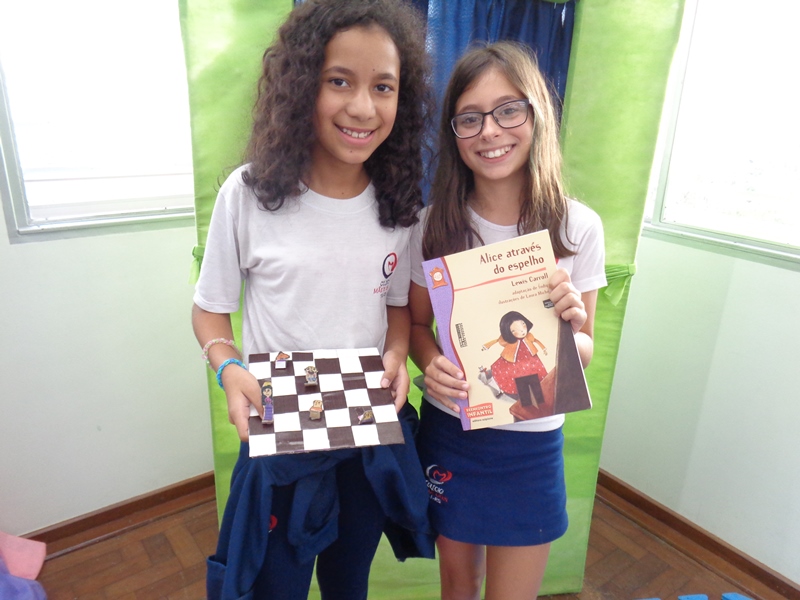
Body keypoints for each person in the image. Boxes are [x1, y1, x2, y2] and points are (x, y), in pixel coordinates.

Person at [191, 1, 434, 598]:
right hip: (283, 429)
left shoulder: (398, 207)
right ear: (302, 86)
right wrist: (228, 369)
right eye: (339, 81)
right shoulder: (249, 195)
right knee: (277, 584)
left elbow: (395, 305)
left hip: (366, 432)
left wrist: (396, 354)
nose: (363, 107)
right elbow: (209, 308)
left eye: (383, 87)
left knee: (349, 580)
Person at [409, 41, 607, 600]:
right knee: (456, 586)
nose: (490, 131)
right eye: (469, 118)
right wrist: (430, 364)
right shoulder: (432, 225)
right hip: (452, 433)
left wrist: (570, 331)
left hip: (531, 444)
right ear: (454, 133)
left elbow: (584, 351)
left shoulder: (576, 227)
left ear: (536, 114)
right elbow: (417, 328)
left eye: (508, 111)